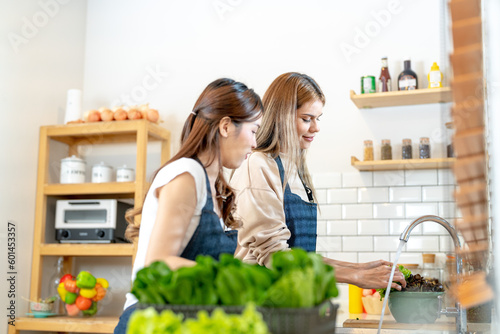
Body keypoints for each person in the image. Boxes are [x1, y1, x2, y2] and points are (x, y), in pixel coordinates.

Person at [230, 72, 406, 290]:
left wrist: (359, 268)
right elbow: (276, 256)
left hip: (289, 297)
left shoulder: (297, 170)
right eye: (306, 119)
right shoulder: (257, 165)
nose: (316, 128)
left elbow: (301, 257)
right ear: (283, 116)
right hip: (259, 298)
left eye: (318, 118)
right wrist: (354, 277)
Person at [113, 78, 263, 334]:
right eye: (254, 131)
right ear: (226, 126)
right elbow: (157, 264)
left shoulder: (212, 186)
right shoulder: (186, 173)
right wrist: (234, 277)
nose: (254, 144)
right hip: (150, 322)